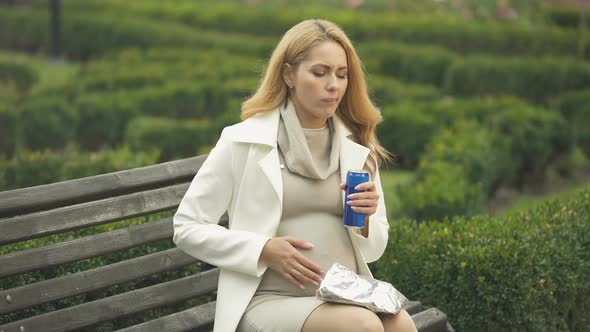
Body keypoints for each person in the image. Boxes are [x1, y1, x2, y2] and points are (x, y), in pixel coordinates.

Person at [173, 19, 417, 332]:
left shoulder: (356, 147)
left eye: (342, 75)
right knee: (362, 326)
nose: (334, 85)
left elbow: (374, 249)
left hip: (345, 295)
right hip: (269, 300)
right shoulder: (243, 141)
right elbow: (186, 227)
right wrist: (262, 250)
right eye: (320, 73)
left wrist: (367, 221)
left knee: (401, 324)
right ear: (289, 74)